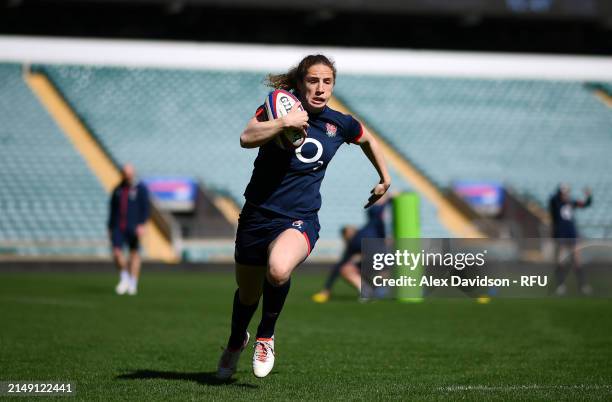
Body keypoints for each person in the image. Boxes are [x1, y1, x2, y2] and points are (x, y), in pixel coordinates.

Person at [216, 54, 391, 380]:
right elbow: (246, 137)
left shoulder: (340, 123)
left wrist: (385, 178)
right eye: (313, 80)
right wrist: (284, 124)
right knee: (248, 295)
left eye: (327, 82)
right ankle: (236, 341)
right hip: (256, 216)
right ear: (300, 82)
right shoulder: (278, 107)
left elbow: (368, 138)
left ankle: (266, 336)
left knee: (279, 270)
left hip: (300, 219)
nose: (321, 88)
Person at [312, 196, 390, 303]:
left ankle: (373, 290)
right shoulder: (357, 240)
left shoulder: (367, 231)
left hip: (382, 264)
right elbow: (339, 266)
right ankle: (368, 290)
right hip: (378, 265)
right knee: (348, 267)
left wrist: (387, 199)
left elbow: (376, 213)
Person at [108, 164, 150, 296]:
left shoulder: (140, 189)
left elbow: (145, 209)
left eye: (129, 173)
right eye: (125, 173)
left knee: (134, 255)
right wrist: (110, 227)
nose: (127, 176)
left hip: (134, 227)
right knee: (116, 253)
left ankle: (133, 282)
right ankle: (125, 277)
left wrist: (142, 224)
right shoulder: (117, 190)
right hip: (118, 227)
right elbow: (112, 211)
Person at [548, 184, 592, 295]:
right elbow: (552, 199)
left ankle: (583, 285)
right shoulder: (556, 202)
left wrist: (589, 196)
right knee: (560, 259)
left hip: (571, 233)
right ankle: (560, 285)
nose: (566, 194)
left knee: (577, 259)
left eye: (567, 192)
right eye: (564, 192)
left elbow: (586, 204)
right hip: (561, 234)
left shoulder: (571, 202)